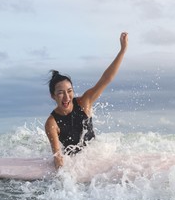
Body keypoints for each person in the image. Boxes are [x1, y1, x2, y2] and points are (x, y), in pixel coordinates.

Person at [45, 32, 128, 169]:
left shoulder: (84, 103)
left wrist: (122, 51)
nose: (66, 97)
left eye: (69, 91)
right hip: (76, 164)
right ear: (53, 96)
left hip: (95, 157)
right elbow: (57, 155)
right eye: (60, 93)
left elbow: (106, 79)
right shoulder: (51, 123)